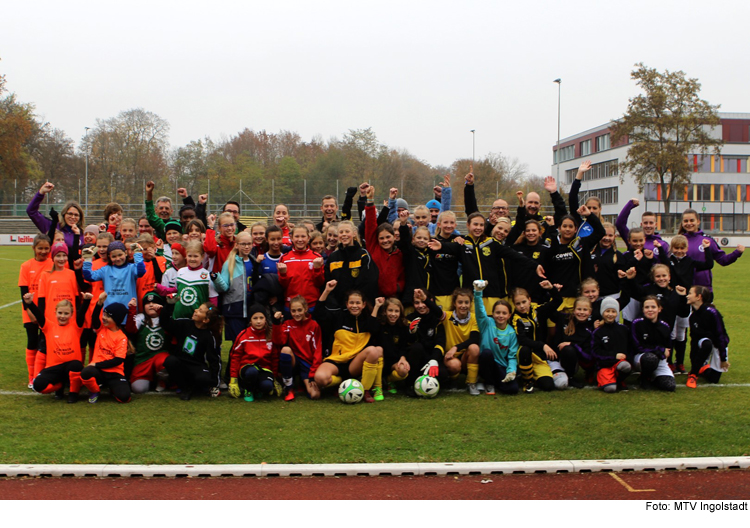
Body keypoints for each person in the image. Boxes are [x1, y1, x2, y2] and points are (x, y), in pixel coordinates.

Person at [313, 280, 384, 403]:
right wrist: (327, 291)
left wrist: (377, 306)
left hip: (354, 364)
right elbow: (319, 314)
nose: (354, 305)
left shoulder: (367, 320)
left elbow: (374, 328)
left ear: (363, 304)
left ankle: (365, 390)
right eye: (351, 302)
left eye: (358, 303)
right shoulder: (339, 317)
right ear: (347, 304)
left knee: (375, 350)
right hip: (336, 361)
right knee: (320, 378)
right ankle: (341, 384)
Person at [22, 292, 93, 403]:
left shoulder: (76, 326)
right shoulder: (49, 326)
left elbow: (82, 313)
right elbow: (39, 316)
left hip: (71, 366)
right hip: (54, 367)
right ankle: (59, 386)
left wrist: (87, 300)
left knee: (76, 364)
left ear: (71, 314)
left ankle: (73, 394)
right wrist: (30, 303)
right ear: (55, 313)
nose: (63, 316)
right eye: (60, 313)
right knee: (38, 385)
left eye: (66, 313)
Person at [161, 299, 223, 400]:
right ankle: (185, 388)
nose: (195, 310)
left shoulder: (209, 336)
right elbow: (166, 324)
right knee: (170, 361)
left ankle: (196, 386)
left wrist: (215, 384)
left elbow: (214, 360)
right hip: (181, 362)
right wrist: (169, 305)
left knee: (203, 378)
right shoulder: (185, 324)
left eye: (200, 311)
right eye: (198, 309)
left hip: (197, 366)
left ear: (205, 320)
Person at [510, 283, 564, 393]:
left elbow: (558, 301)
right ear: (514, 305)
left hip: (539, 358)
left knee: (548, 386)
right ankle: (527, 380)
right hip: (524, 355)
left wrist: (551, 289)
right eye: (518, 303)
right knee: (525, 349)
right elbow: (522, 340)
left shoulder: (538, 311)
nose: (522, 306)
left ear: (529, 300)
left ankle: (531, 376)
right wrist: (543, 345)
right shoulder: (515, 319)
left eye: (524, 302)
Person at [80, 294, 132, 404]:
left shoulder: (121, 337)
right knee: (86, 372)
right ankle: (95, 391)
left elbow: (118, 360)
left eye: (108, 316)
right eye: (104, 314)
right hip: (99, 372)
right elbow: (94, 319)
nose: (104, 317)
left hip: (114, 373)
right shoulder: (101, 330)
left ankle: (113, 388)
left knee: (124, 398)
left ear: (116, 319)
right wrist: (99, 304)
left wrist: (96, 364)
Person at [677, 209, 744, 289]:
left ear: (698, 221)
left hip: (703, 287)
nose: (689, 223)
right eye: (686, 221)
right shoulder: (679, 240)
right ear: (682, 223)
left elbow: (723, 260)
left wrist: (737, 253)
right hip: (683, 286)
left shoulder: (707, 240)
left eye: (692, 220)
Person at [272, 296, 323, 401]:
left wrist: (313, 374)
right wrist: (276, 323)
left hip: (307, 364)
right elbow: (278, 341)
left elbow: (317, 350)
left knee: (315, 395)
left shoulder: (314, 325)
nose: (297, 313)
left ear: (305, 309)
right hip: (294, 361)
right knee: (285, 350)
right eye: (293, 311)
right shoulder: (288, 324)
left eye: (299, 310)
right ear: (290, 311)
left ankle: (303, 383)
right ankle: (289, 388)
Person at [473, 280, 519, 395]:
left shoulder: (511, 333)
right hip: (487, 364)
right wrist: (478, 293)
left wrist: (511, 371)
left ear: (509, 315)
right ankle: (488, 382)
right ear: (493, 314)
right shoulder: (487, 323)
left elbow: (512, 356)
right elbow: (479, 311)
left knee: (513, 389)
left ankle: (496, 382)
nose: (500, 316)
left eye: (504, 313)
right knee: (487, 353)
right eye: (497, 312)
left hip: (501, 367)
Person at [18, 234, 53, 386]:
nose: (43, 251)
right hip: (31, 312)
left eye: (46, 248)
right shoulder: (26, 266)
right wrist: (30, 312)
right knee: (32, 341)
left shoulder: (53, 263)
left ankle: (43, 373)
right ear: (33, 248)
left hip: (48, 311)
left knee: (45, 343)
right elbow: (24, 291)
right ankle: (31, 376)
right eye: (40, 248)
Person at [324, 220, 379, 309]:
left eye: (347, 231)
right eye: (341, 232)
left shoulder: (363, 255)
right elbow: (327, 281)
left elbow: (368, 282)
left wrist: (354, 302)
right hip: (338, 307)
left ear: (354, 234)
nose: (344, 234)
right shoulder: (333, 257)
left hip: (358, 307)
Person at [228, 304, 278, 402]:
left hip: (264, 369)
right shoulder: (243, 335)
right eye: (255, 318)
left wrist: (275, 378)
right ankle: (248, 390)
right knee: (252, 372)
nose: (258, 321)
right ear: (250, 320)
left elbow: (274, 357)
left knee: (267, 386)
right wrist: (233, 380)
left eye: (261, 318)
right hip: (247, 368)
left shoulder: (270, 335)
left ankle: (258, 389)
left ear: (265, 320)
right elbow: (235, 357)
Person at [82, 241, 146, 317]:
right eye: (114, 256)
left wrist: (138, 254)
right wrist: (88, 260)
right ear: (109, 257)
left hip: (129, 312)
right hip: (110, 314)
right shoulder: (106, 270)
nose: (118, 258)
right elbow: (89, 276)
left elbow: (141, 271)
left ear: (125, 253)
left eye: (120, 255)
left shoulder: (131, 268)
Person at [212, 231, 254, 344]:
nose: (246, 247)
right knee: (237, 342)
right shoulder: (229, 263)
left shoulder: (254, 262)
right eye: (243, 244)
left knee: (249, 342)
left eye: (249, 244)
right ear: (236, 245)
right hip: (233, 309)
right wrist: (216, 279)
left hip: (251, 310)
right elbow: (223, 288)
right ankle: (233, 362)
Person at [685, 285, 730, 388]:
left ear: (698, 297)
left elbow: (720, 335)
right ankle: (693, 375)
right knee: (706, 344)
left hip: (719, 344)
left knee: (714, 380)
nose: (687, 296)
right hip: (706, 342)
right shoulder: (693, 317)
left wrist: (723, 358)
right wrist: (693, 368)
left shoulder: (712, 313)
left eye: (690, 293)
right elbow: (694, 340)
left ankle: (704, 368)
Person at [437, 288, 481, 394]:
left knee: (474, 348)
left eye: (466, 302)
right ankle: (453, 381)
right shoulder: (447, 316)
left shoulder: (474, 318)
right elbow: (434, 310)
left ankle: (471, 383)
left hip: (466, 356)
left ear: (470, 304)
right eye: (460, 302)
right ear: (454, 303)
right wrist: (425, 299)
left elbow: (474, 339)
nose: (463, 305)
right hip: (450, 357)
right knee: (454, 365)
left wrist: (456, 347)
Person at [125, 292, 170, 394]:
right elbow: (130, 329)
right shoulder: (141, 318)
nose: (150, 305)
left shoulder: (165, 318)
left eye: (154, 302)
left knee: (164, 362)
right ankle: (152, 379)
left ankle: (161, 379)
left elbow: (170, 329)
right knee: (138, 389)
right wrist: (132, 310)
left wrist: (162, 312)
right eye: (147, 303)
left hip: (160, 357)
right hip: (143, 358)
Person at [364, 187, 404, 298]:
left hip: (393, 298)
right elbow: (371, 224)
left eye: (388, 237)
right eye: (381, 238)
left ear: (394, 236)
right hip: (374, 297)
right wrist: (370, 201)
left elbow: (403, 275)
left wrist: (398, 287)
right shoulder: (373, 248)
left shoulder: (399, 254)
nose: (385, 241)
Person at [631, 297, 676, 392]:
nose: (650, 310)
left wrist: (662, 351)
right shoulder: (637, 324)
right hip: (641, 357)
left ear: (659, 309)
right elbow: (638, 347)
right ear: (642, 309)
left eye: (653, 307)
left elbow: (668, 347)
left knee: (669, 386)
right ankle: (644, 378)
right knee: (650, 359)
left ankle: (653, 378)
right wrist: (660, 350)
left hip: (659, 358)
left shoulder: (665, 326)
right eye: (647, 307)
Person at [277, 226, 325, 311]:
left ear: (308, 238)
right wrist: (283, 274)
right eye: (297, 236)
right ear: (291, 238)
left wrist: (317, 270)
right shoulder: (285, 258)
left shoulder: (316, 257)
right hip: (291, 306)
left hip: (311, 304)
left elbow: (320, 283)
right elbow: (283, 285)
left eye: (303, 236)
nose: (300, 240)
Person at [591, 298, 632, 393]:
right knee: (610, 389)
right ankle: (606, 378)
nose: (610, 314)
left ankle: (619, 380)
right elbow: (595, 352)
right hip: (604, 366)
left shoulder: (623, 329)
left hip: (619, 364)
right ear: (602, 312)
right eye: (607, 311)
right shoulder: (598, 331)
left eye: (613, 311)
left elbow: (630, 347)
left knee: (626, 366)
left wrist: (627, 357)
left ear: (617, 313)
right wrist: (613, 356)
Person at [27, 182, 85, 250]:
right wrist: (41, 193)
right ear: (64, 214)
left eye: (76, 215)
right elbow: (31, 211)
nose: (73, 217)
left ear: (80, 217)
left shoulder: (83, 234)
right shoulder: (52, 227)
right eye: (70, 214)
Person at [373, 297, 411, 394]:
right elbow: (371, 327)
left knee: (403, 370)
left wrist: (403, 358)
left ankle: (389, 381)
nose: (393, 314)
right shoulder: (379, 323)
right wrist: (377, 306)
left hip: (393, 362)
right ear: (385, 311)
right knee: (378, 350)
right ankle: (377, 387)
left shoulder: (403, 326)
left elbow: (403, 346)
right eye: (390, 310)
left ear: (400, 312)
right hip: (379, 361)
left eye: (396, 311)